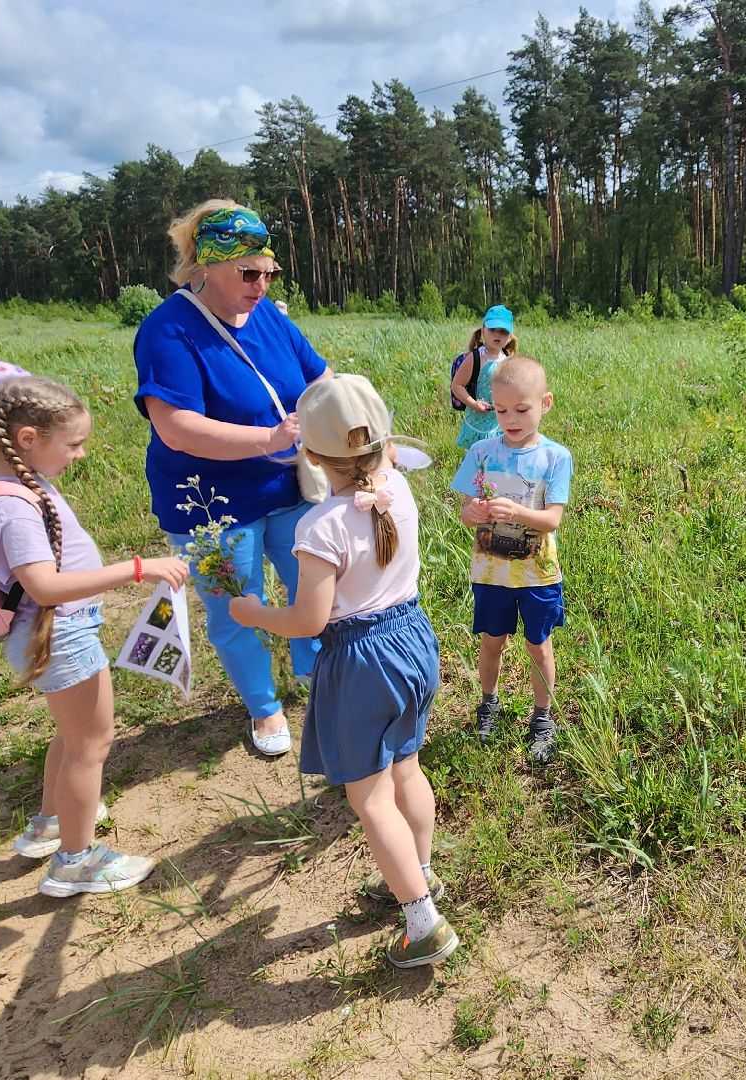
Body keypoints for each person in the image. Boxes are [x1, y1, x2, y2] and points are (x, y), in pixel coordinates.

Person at [230, 374, 457, 969]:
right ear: (384, 444)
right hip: (413, 640)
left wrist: (254, 612)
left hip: (360, 660)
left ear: (309, 454)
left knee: (369, 794)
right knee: (405, 764)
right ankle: (419, 874)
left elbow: (309, 621)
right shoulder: (400, 490)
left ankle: (423, 921)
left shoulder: (320, 526)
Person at [0, 375, 190, 895]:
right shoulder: (13, 506)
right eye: (74, 444)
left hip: (50, 633)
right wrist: (136, 568)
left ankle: (51, 822)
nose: (80, 455)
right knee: (92, 745)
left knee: (72, 735)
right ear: (26, 439)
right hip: (60, 633)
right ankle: (75, 862)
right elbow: (45, 585)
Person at [133, 200, 331, 757]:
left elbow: (319, 376)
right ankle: (264, 708)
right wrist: (270, 439)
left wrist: (339, 418)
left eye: (268, 271)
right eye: (248, 272)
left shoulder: (268, 315)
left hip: (288, 488)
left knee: (311, 588)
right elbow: (176, 427)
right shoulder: (167, 330)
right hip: (210, 505)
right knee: (234, 607)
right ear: (205, 266)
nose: (261, 284)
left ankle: (317, 680)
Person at [449, 357, 572, 763]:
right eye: (501, 410)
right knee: (491, 642)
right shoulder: (482, 451)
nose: (511, 419)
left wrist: (516, 513)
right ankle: (489, 703)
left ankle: (542, 717)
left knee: (539, 646)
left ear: (545, 403)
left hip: (537, 575)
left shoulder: (555, 457)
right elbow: (467, 511)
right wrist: (475, 513)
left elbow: (552, 519)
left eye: (522, 409)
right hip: (491, 571)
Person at [451, 306, 517, 449]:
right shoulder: (475, 358)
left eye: (503, 331)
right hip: (477, 424)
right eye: (492, 329)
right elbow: (457, 385)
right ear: (483, 330)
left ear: (510, 336)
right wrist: (474, 404)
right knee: (478, 463)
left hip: (499, 424)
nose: (497, 335)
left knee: (497, 464)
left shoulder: (508, 360)